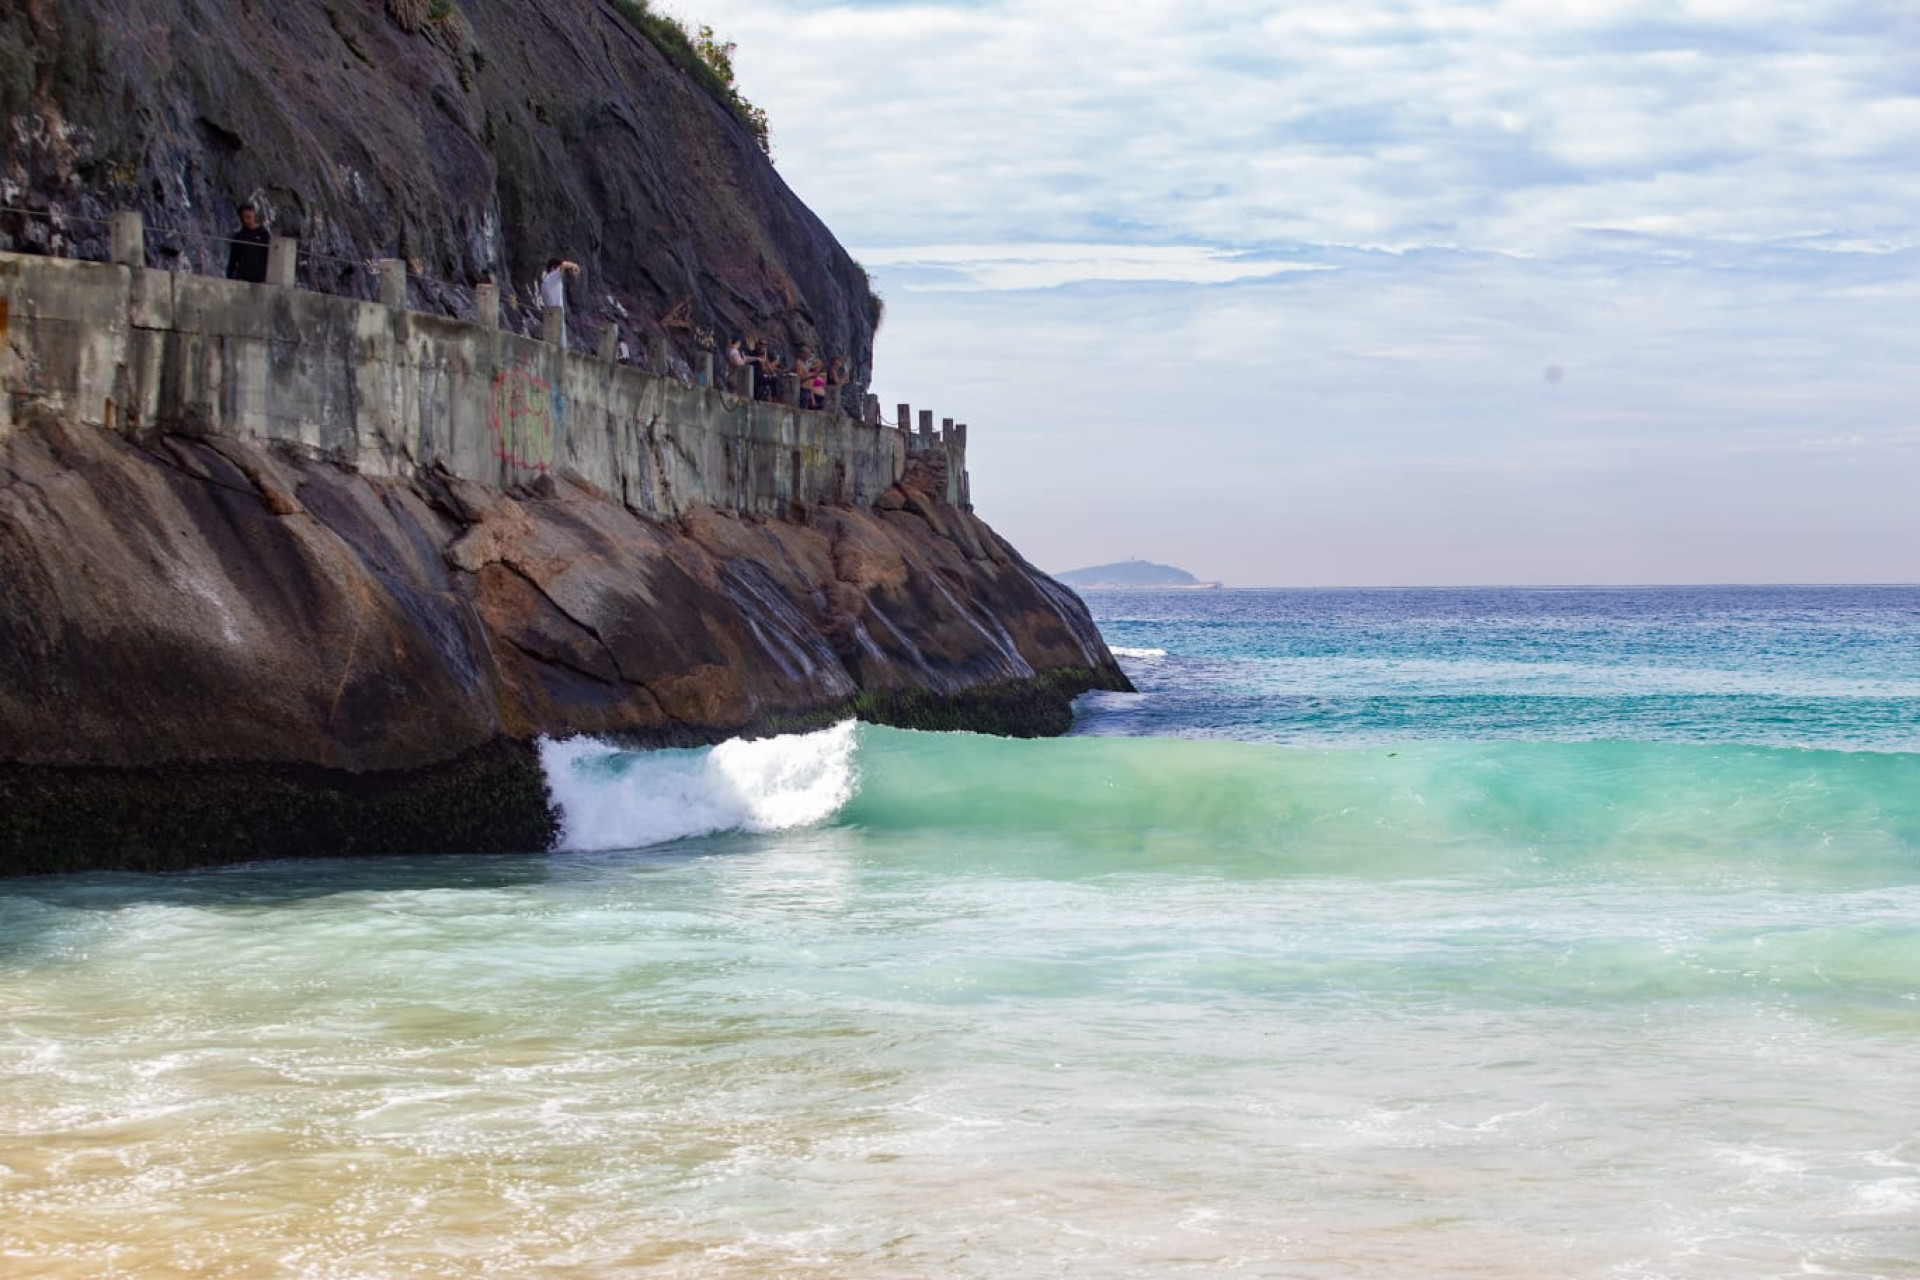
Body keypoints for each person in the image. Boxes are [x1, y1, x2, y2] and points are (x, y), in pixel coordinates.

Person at [225, 204, 271, 284]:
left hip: (259, 277)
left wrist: (265, 277)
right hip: (242, 276)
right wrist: (230, 276)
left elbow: (268, 256)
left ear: (253, 215)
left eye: (248, 217)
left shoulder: (263, 234)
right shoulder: (239, 236)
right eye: (244, 218)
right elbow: (233, 258)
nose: (246, 221)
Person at [538, 257, 580, 344]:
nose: (561, 273)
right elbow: (564, 265)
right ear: (553, 268)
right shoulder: (553, 278)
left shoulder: (545, 282)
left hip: (549, 317)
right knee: (559, 348)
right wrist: (574, 266)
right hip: (557, 318)